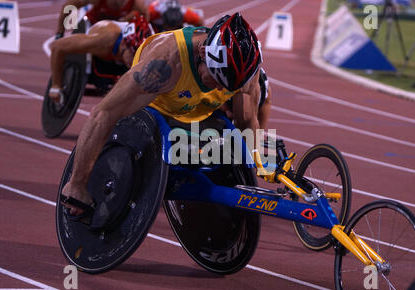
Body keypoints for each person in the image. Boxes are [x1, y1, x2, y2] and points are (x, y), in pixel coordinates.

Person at [60, 13, 268, 218]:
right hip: (155, 104)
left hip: (196, 111)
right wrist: (77, 183)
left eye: (227, 87)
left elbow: (246, 122)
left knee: (254, 109)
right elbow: (103, 113)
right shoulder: (165, 63)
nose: (218, 89)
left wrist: (255, 165)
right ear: (203, 52)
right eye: (214, 78)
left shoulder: (247, 73)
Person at [49, 15, 155, 104]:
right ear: (123, 44)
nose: (135, 61)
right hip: (99, 51)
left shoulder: (147, 53)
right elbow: (57, 46)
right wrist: (55, 85)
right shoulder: (104, 40)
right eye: (133, 54)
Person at [55, 0, 148, 39]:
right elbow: (68, 6)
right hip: (91, 27)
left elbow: (146, 16)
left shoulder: (136, 3)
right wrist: (60, 33)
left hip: (115, 32)